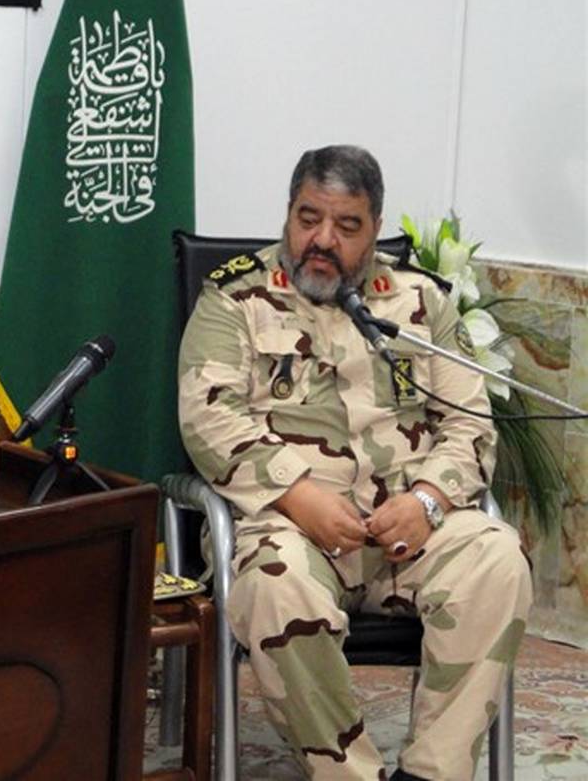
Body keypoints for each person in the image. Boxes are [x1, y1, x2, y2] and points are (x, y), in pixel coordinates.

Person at [178, 145, 531, 780]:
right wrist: (297, 495)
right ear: (289, 212)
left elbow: (470, 423)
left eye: (347, 226)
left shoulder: (423, 301)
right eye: (308, 218)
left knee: (499, 560)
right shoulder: (236, 298)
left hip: (410, 531)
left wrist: (428, 502)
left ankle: (430, 774)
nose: (322, 239)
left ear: (374, 229)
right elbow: (209, 420)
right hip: (289, 526)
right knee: (275, 584)